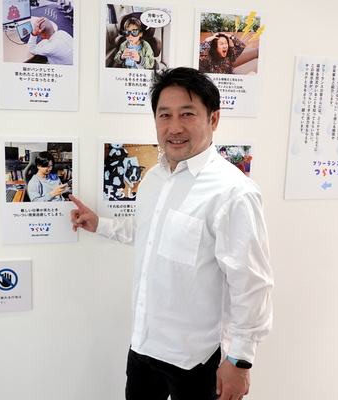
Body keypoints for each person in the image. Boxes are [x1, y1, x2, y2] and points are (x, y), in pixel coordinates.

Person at [70, 67, 273, 400]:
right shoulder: (155, 178)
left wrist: (240, 360)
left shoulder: (233, 192)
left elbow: (251, 283)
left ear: (213, 119)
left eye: (187, 114)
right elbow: (150, 232)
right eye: (165, 115)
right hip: (144, 345)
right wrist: (100, 224)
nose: (174, 127)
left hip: (194, 358)